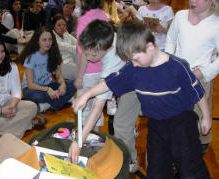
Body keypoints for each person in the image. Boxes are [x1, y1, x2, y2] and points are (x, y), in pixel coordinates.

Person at [72, 20, 211, 179]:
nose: (134, 64)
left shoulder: (178, 67)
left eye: (136, 59)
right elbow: (109, 83)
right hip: (156, 125)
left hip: (182, 124)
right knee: (156, 170)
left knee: (190, 167)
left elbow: (198, 92)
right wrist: (86, 94)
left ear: (150, 47)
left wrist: (206, 117)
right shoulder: (134, 68)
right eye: (131, 60)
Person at [165, 0, 219, 154]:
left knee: (199, 114)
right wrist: (170, 61)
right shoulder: (180, 16)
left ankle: (200, 141)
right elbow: (171, 39)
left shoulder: (216, 24)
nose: (192, 1)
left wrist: (203, 72)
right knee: (178, 114)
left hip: (200, 78)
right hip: (177, 76)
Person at [68, 19, 125, 164]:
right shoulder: (101, 39)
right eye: (85, 54)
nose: (88, 58)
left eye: (92, 55)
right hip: (119, 76)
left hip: (136, 82)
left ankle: (127, 160)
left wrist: (78, 142)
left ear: (108, 49)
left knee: (121, 124)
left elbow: (97, 108)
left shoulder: (113, 58)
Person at [0, 37, 38, 146]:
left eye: (2, 51)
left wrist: (12, 106)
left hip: (7, 104)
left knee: (32, 106)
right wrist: (0, 111)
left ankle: (2, 136)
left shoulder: (11, 67)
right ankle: (29, 124)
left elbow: (17, 93)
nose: (0, 55)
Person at [19, 26, 76, 113]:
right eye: (44, 40)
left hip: (48, 85)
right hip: (32, 89)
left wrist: (63, 84)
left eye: (50, 39)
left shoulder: (53, 54)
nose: (48, 42)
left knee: (73, 84)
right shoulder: (31, 57)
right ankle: (59, 101)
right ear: (37, 41)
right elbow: (30, 85)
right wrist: (48, 90)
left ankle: (46, 105)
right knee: (36, 96)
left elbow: (59, 77)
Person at [74, 0, 108, 130]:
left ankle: (84, 143)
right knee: (96, 108)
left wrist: (79, 77)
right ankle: (95, 140)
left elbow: (84, 52)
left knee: (84, 109)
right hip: (103, 70)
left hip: (88, 71)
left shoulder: (84, 19)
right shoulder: (103, 15)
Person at [52, 15, 77, 80]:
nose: (62, 27)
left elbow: (77, 43)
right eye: (59, 25)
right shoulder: (52, 38)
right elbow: (71, 48)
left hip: (72, 61)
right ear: (54, 26)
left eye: (64, 25)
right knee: (83, 72)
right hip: (61, 65)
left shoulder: (66, 34)